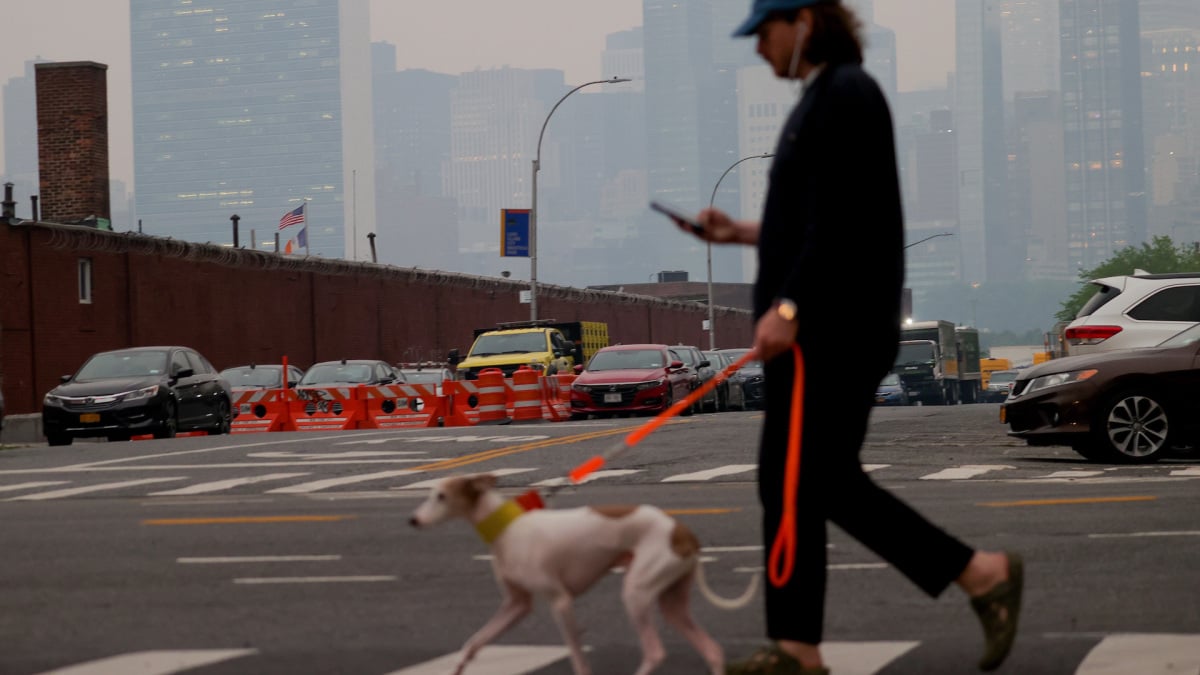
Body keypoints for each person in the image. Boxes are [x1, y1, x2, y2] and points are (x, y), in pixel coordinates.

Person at [667, 1, 1024, 673]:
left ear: (803, 21)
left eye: (763, 33)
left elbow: (838, 221)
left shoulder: (846, 93)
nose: (757, 49)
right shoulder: (821, 99)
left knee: (818, 478)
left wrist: (791, 308)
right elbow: (809, 218)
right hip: (818, 333)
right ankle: (799, 645)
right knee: (789, 481)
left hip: (835, 332)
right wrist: (739, 232)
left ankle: (980, 572)